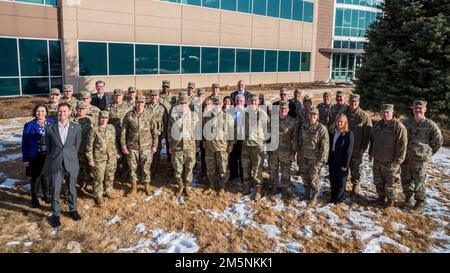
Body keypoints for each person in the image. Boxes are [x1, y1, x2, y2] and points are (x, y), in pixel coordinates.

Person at [45, 102, 82, 228]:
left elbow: (76, 147)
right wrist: (56, 157)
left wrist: (69, 156)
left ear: (70, 112)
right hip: (55, 163)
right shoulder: (50, 128)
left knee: (71, 188)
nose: (62, 113)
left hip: (71, 163)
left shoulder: (76, 128)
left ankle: (73, 210)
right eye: (60, 111)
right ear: (57, 112)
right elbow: (49, 148)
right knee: (55, 189)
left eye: (65, 111)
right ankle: (55, 214)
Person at [401, 100, 443, 211]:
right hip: (406, 158)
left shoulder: (430, 125)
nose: (418, 110)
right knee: (406, 179)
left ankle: (419, 202)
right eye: (416, 108)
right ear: (413, 109)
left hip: (420, 160)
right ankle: (407, 198)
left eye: (420, 108)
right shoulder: (407, 123)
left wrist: (428, 153)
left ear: (425, 110)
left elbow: (438, 142)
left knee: (419, 182)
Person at [369, 104, 408, 208]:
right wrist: (371, 153)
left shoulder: (398, 127)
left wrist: (398, 160)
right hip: (377, 159)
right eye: (384, 112)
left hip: (391, 162)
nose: (386, 114)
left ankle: (390, 202)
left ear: (392, 112)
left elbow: (402, 145)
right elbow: (373, 140)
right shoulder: (378, 125)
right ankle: (380, 198)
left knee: (391, 184)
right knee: (378, 181)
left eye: (388, 112)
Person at [121, 96, 159, 196]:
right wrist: (124, 146)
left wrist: (154, 145)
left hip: (146, 147)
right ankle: (134, 187)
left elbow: (154, 131)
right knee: (133, 168)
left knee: (146, 168)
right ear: (135, 103)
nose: (140, 104)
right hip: (132, 147)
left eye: (142, 102)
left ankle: (147, 186)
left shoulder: (149, 115)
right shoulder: (129, 115)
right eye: (138, 102)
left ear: (144, 103)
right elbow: (123, 132)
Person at [22, 104, 55, 208]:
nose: (40, 113)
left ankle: (46, 195)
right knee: (36, 178)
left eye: (42, 111)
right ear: (35, 112)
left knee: (46, 176)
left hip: (48, 156)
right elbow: (24, 143)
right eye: (38, 111)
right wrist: (26, 158)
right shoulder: (29, 125)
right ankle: (34, 198)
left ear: (46, 112)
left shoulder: (52, 122)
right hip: (35, 156)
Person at [297, 107, 329, 207]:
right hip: (303, 157)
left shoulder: (322, 129)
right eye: (311, 114)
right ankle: (306, 194)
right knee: (304, 175)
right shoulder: (304, 126)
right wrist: (298, 153)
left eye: (314, 114)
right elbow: (299, 140)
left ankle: (314, 197)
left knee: (314, 178)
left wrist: (321, 160)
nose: (312, 116)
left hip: (315, 159)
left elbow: (325, 146)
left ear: (317, 116)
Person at [86, 111, 120, 207]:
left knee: (110, 175)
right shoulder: (94, 130)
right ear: (98, 118)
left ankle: (108, 190)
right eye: (101, 118)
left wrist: (117, 152)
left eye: (105, 118)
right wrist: (90, 159)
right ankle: (98, 195)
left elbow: (114, 142)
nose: (103, 120)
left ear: (108, 119)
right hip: (99, 159)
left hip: (111, 157)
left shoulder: (111, 128)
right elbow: (89, 146)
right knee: (99, 177)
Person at [203, 96, 235, 196]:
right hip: (209, 147)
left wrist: (231, 145)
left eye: (219, 104)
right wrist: (204, 141)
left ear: (222, 105)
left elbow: (232, 132)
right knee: (210, 168)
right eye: (215, 104)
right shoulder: (207, 116)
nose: (217, 106)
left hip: (222, 147)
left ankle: (222, 187)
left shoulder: (227, 117)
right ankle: (211, 185)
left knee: (223, 168)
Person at [168, 95, 198, 198]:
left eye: (185, 103)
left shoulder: (194, 115)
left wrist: (196, 144)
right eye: (181, 103)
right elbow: (169, 131)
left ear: (188, 104)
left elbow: (198, 131)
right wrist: (170, 145)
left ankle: (187, 186)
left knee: (189, 167)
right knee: (177, 167)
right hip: (177, 146)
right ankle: (180, 185)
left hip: (190, 146)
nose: (183, 105)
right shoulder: (173, 115)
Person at [241, 94, 269, 201]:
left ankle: (258, 189)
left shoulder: (262, 114)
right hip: (246, 145)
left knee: (257, 168)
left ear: (258, 103)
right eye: (251, 101)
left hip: (257, 146)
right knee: (245, 167)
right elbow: (241, 127)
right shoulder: (245, 114)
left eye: (255, 102)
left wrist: (263, 141)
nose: (253, 103)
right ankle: (246, 187)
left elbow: (268, 129)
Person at [267, 101, 298, 199]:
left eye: (285, 109)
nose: (283, 111)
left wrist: (293, 152)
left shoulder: (293, 121)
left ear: (288, 110)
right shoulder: (273, 120)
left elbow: (295, 139)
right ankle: (274, 187)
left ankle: (285, 188)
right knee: (273, 170)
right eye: (281, 109)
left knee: (286, 171)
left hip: (286, 152)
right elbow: (267, 134)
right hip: (273, 151)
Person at [345, 94, 372, 197]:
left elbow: (368, 134)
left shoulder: (364, 116)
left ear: (358, 102)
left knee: (355, 168)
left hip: (357, 148)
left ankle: (355, 187)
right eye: (352, 101)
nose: (353, 103)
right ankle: (343, 185)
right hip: (344, 147)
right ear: (349, 101)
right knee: (344, 167)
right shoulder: (344, 113)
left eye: (355, 102)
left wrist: (363, 148)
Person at [70, 101, 96, 193]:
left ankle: (87, 184)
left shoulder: (91, 120)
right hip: (75, 149)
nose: (81, 110)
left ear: (86, 110)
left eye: (83, 109)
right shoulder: (71, 120)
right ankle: (80, 185)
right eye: (79, 108)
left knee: (89, 168)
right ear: (76, 109)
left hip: (88, 148)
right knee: (78, 168)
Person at [328, 114, 354, 204]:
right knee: (333, 179)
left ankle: (339, 199)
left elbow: (349, 151)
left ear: (345, 123)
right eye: (338, 121)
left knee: (341, 182)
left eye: (341, 122)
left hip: (342, 161)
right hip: (332, 159)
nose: (339, 123)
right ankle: (333, 197)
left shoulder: (348, 134)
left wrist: (345, 165)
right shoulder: (332, 132)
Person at [107, 89, 133, 181]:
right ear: (113, 96)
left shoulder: (129, 106)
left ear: (123, 96)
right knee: (115, 155)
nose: (117, 97)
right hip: (113, 136)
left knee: (126, 155)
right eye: (116, 95)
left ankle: (125, 173)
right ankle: (117, 173)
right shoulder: (109, 107)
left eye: (119, 95)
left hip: (125, 135)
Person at [146, 89, 168, 175]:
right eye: (152, 96)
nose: (154, 97)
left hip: (158, 134)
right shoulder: (146, 106)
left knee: (157, 153)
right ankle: (148, 170)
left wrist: (164, 133)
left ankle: (155, 170)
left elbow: (165, 121)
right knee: (147, 153)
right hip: (147, 134)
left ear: (158, 97)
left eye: (155, 96)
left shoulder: (162, 108)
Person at [228, 94, 246, 183]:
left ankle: (243, 177)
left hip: (243, 140)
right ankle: (233, 175)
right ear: (235, 102)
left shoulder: (247, 112)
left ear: (244, 102)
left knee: (243, 158)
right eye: (237, 101)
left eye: (241, 101)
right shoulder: (230, 112)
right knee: (232, 158)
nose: (239, 102)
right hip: (233, 139)